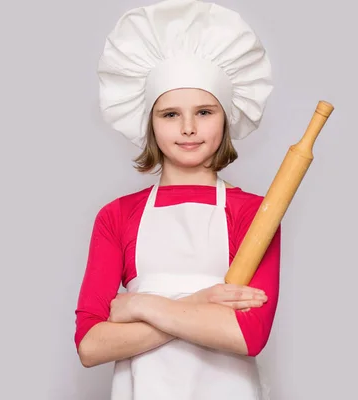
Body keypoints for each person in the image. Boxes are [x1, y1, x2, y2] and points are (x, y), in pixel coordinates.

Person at [74, 0, 280, 398]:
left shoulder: (255, 213)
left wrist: (139, 306)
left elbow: (247, 336)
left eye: (204, 112)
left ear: (226, 117)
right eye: (169, 114)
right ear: (149, 122)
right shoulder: (118, 216)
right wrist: (203, 303)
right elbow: (90, 345)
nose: (188, 128)